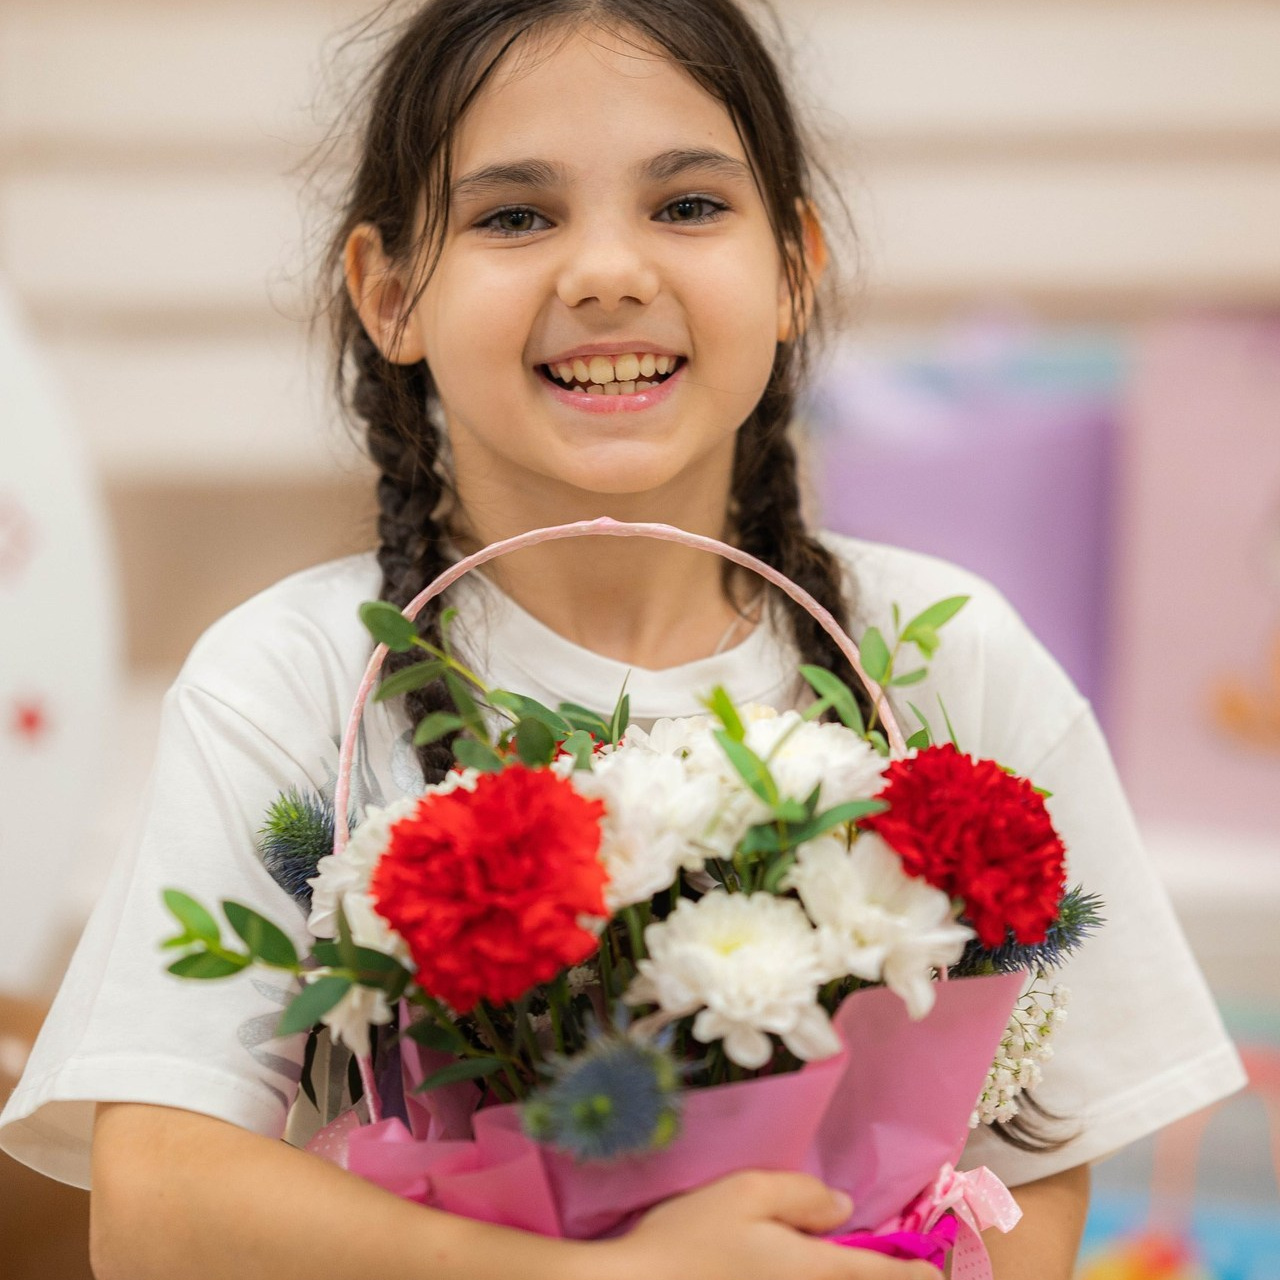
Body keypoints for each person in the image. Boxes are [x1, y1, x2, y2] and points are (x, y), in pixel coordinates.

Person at [0, 2, 1244, 1277]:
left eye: (689, 206)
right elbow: (154, 1207)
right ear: (388, 292)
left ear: (793, 268)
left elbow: (1037, 1161)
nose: (606, 271)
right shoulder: (292, 679)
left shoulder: (945, 660)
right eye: (514, 216)